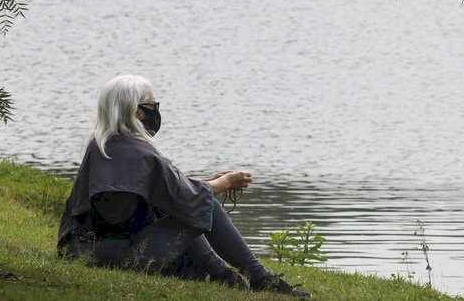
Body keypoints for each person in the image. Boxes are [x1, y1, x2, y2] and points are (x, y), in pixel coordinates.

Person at [57, 75, 309, 297]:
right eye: (152, 104)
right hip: (109, 255)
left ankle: (224, 275)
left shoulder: (103, 144)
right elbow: (184, 197)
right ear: (137, 112)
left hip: (80, 250)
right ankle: (259, 278)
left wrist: (207, 183)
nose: (156, 109)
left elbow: (168, 192)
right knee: (204, 205)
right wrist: (224, 183)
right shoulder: (135, 151)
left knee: (189, 205)